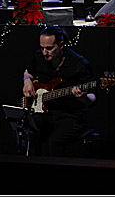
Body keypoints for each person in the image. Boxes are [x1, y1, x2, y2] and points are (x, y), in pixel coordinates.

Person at [21, 26, 97, 157]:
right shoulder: (39, 56)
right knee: (29, 130)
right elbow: (29, 72)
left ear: (61, 45)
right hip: (46, 113)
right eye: (42, 47)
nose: (44, 52)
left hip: (70, 115)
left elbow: (93, 97)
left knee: (54, 142)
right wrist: (27, 80)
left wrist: (83, 97)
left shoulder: (79, 64)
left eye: (49, 48)